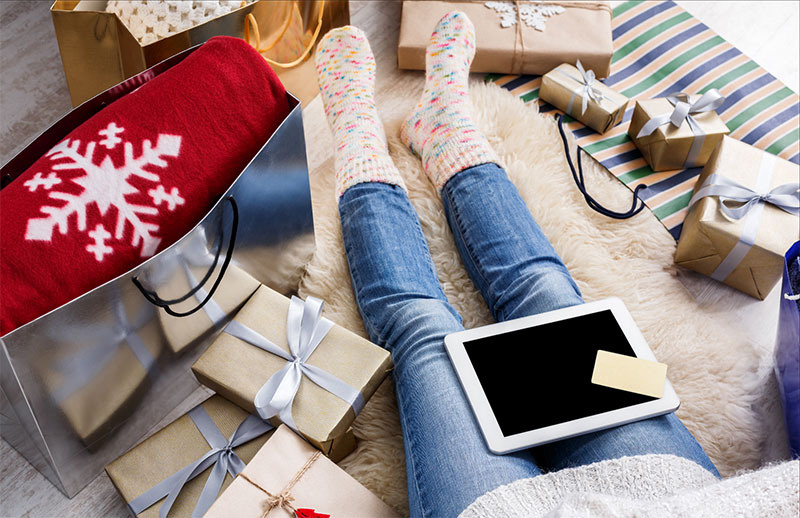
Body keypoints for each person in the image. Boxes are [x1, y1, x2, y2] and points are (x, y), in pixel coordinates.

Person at [314, 12, 798, 518]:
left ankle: (358, 141)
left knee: (421, 330)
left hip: (495, 509)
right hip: (663, 490)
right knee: (546, 291)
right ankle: (447, 132)